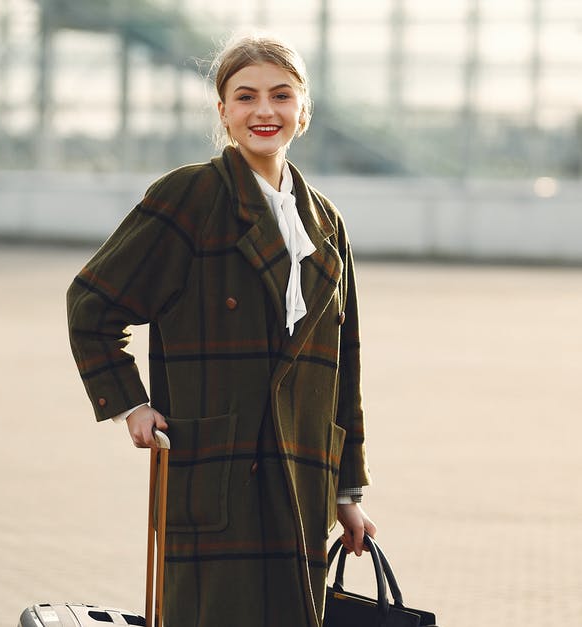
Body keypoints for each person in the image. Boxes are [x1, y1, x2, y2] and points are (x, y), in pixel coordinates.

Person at [66, 33, 375, 627]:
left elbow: (346, 366)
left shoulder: (326, 222)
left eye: (281, 96)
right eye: (246, 97)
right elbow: (92, 304)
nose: (264, 111)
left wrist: (347, 492)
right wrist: (129, 404)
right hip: (216, 472)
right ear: (223, 111)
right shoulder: (191, 196)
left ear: (303, 110)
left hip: (303, 481)